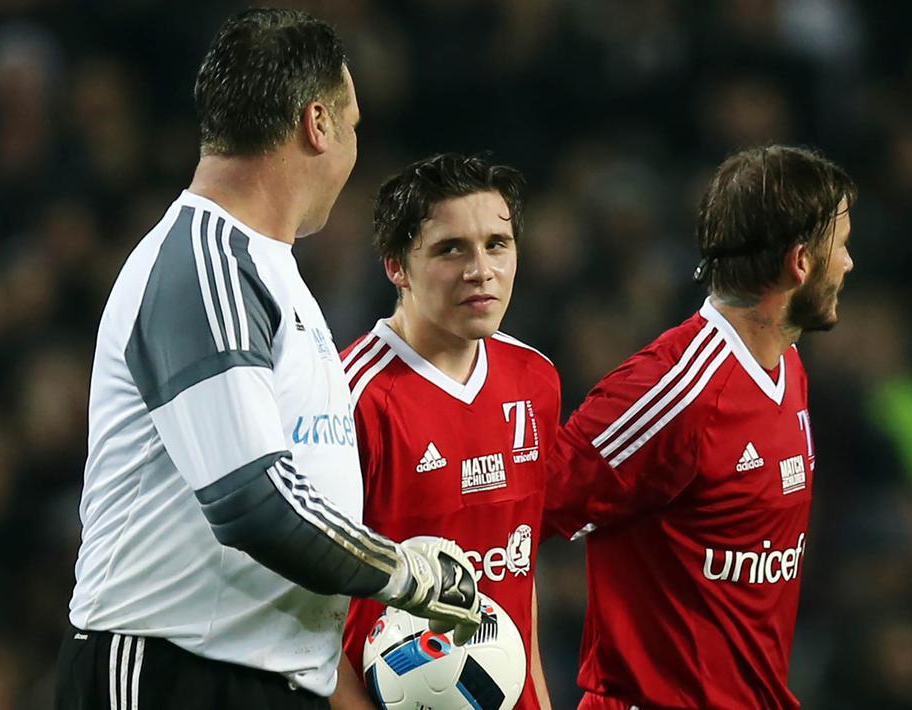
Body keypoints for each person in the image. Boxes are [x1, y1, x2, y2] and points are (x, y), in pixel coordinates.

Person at [55, 10, 483, 710]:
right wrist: (403, 574)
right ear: (317, 124)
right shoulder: (204, 262)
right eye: (353, 124)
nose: (352, 148)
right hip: (173, 673)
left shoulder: (267, 270)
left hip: (262, 675)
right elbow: (251, 502)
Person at [543, 145, 857, 709]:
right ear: (801, 262)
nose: (849, 263)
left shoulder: (786, 364)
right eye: (843, 246)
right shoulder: (676, 392)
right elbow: (526, 508)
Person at [328, 153, 561, 710]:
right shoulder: (350, 397)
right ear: (396, 266)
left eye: (496, 244)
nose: (480, 269)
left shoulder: (536, 379)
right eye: (450, 248)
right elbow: (299, 611)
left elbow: (518, 571)